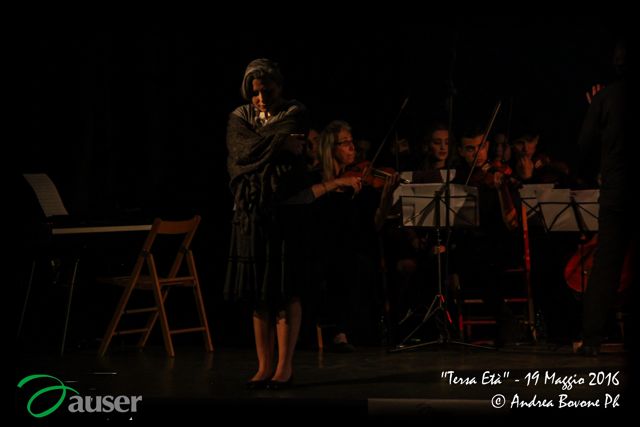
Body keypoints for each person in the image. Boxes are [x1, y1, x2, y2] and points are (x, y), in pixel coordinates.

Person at [225, 58, 320, 389]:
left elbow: (253, 150)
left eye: (268, 91)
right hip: (252, 211)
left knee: (285, 289)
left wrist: (258, 148)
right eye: (256, 93)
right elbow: (238, 151)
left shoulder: (295, 111)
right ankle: (263, 366)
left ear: (279, 87)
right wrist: (279, 143)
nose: (261, 98)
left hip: (286, 210)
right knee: (258, 294)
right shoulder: (239, 116)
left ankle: (284, 366)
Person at [312, 120, 399, 351]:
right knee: (348, 262)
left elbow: (375, 225)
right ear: (330, 148)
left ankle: (354, 331)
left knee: (361, 262)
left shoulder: (361, 184)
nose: (352, 148)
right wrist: (337, 183)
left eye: (352, 142)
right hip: (320, 247)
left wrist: (386, 199)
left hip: (351, 250)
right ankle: (339, 331)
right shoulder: (317, 179)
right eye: (345, 143)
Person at [576, 39, 633, 356]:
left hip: (616, 191)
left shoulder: (605, 98)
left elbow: (584, 146)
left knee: (606, 265)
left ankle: (592, 339)